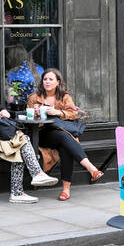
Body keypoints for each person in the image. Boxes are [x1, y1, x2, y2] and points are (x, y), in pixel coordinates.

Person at [0, 69, 57, 203]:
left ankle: (33, 178)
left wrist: (2, 111)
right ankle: (25, 185)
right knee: (20, 144)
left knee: (21, 144)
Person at [26, 68, 106, 201]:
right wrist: (36, 113)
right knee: (63, 137)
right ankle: (91, 169)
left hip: (59, 133)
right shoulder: (34, 98)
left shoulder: (64, 97)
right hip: (41, 134)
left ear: (58, 82)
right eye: (45, 79)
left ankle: (66, 190)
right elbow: (28, 117)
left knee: (65, 147)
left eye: (51, 79)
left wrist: (59, 113)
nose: (47, 82)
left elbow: (74, 113)